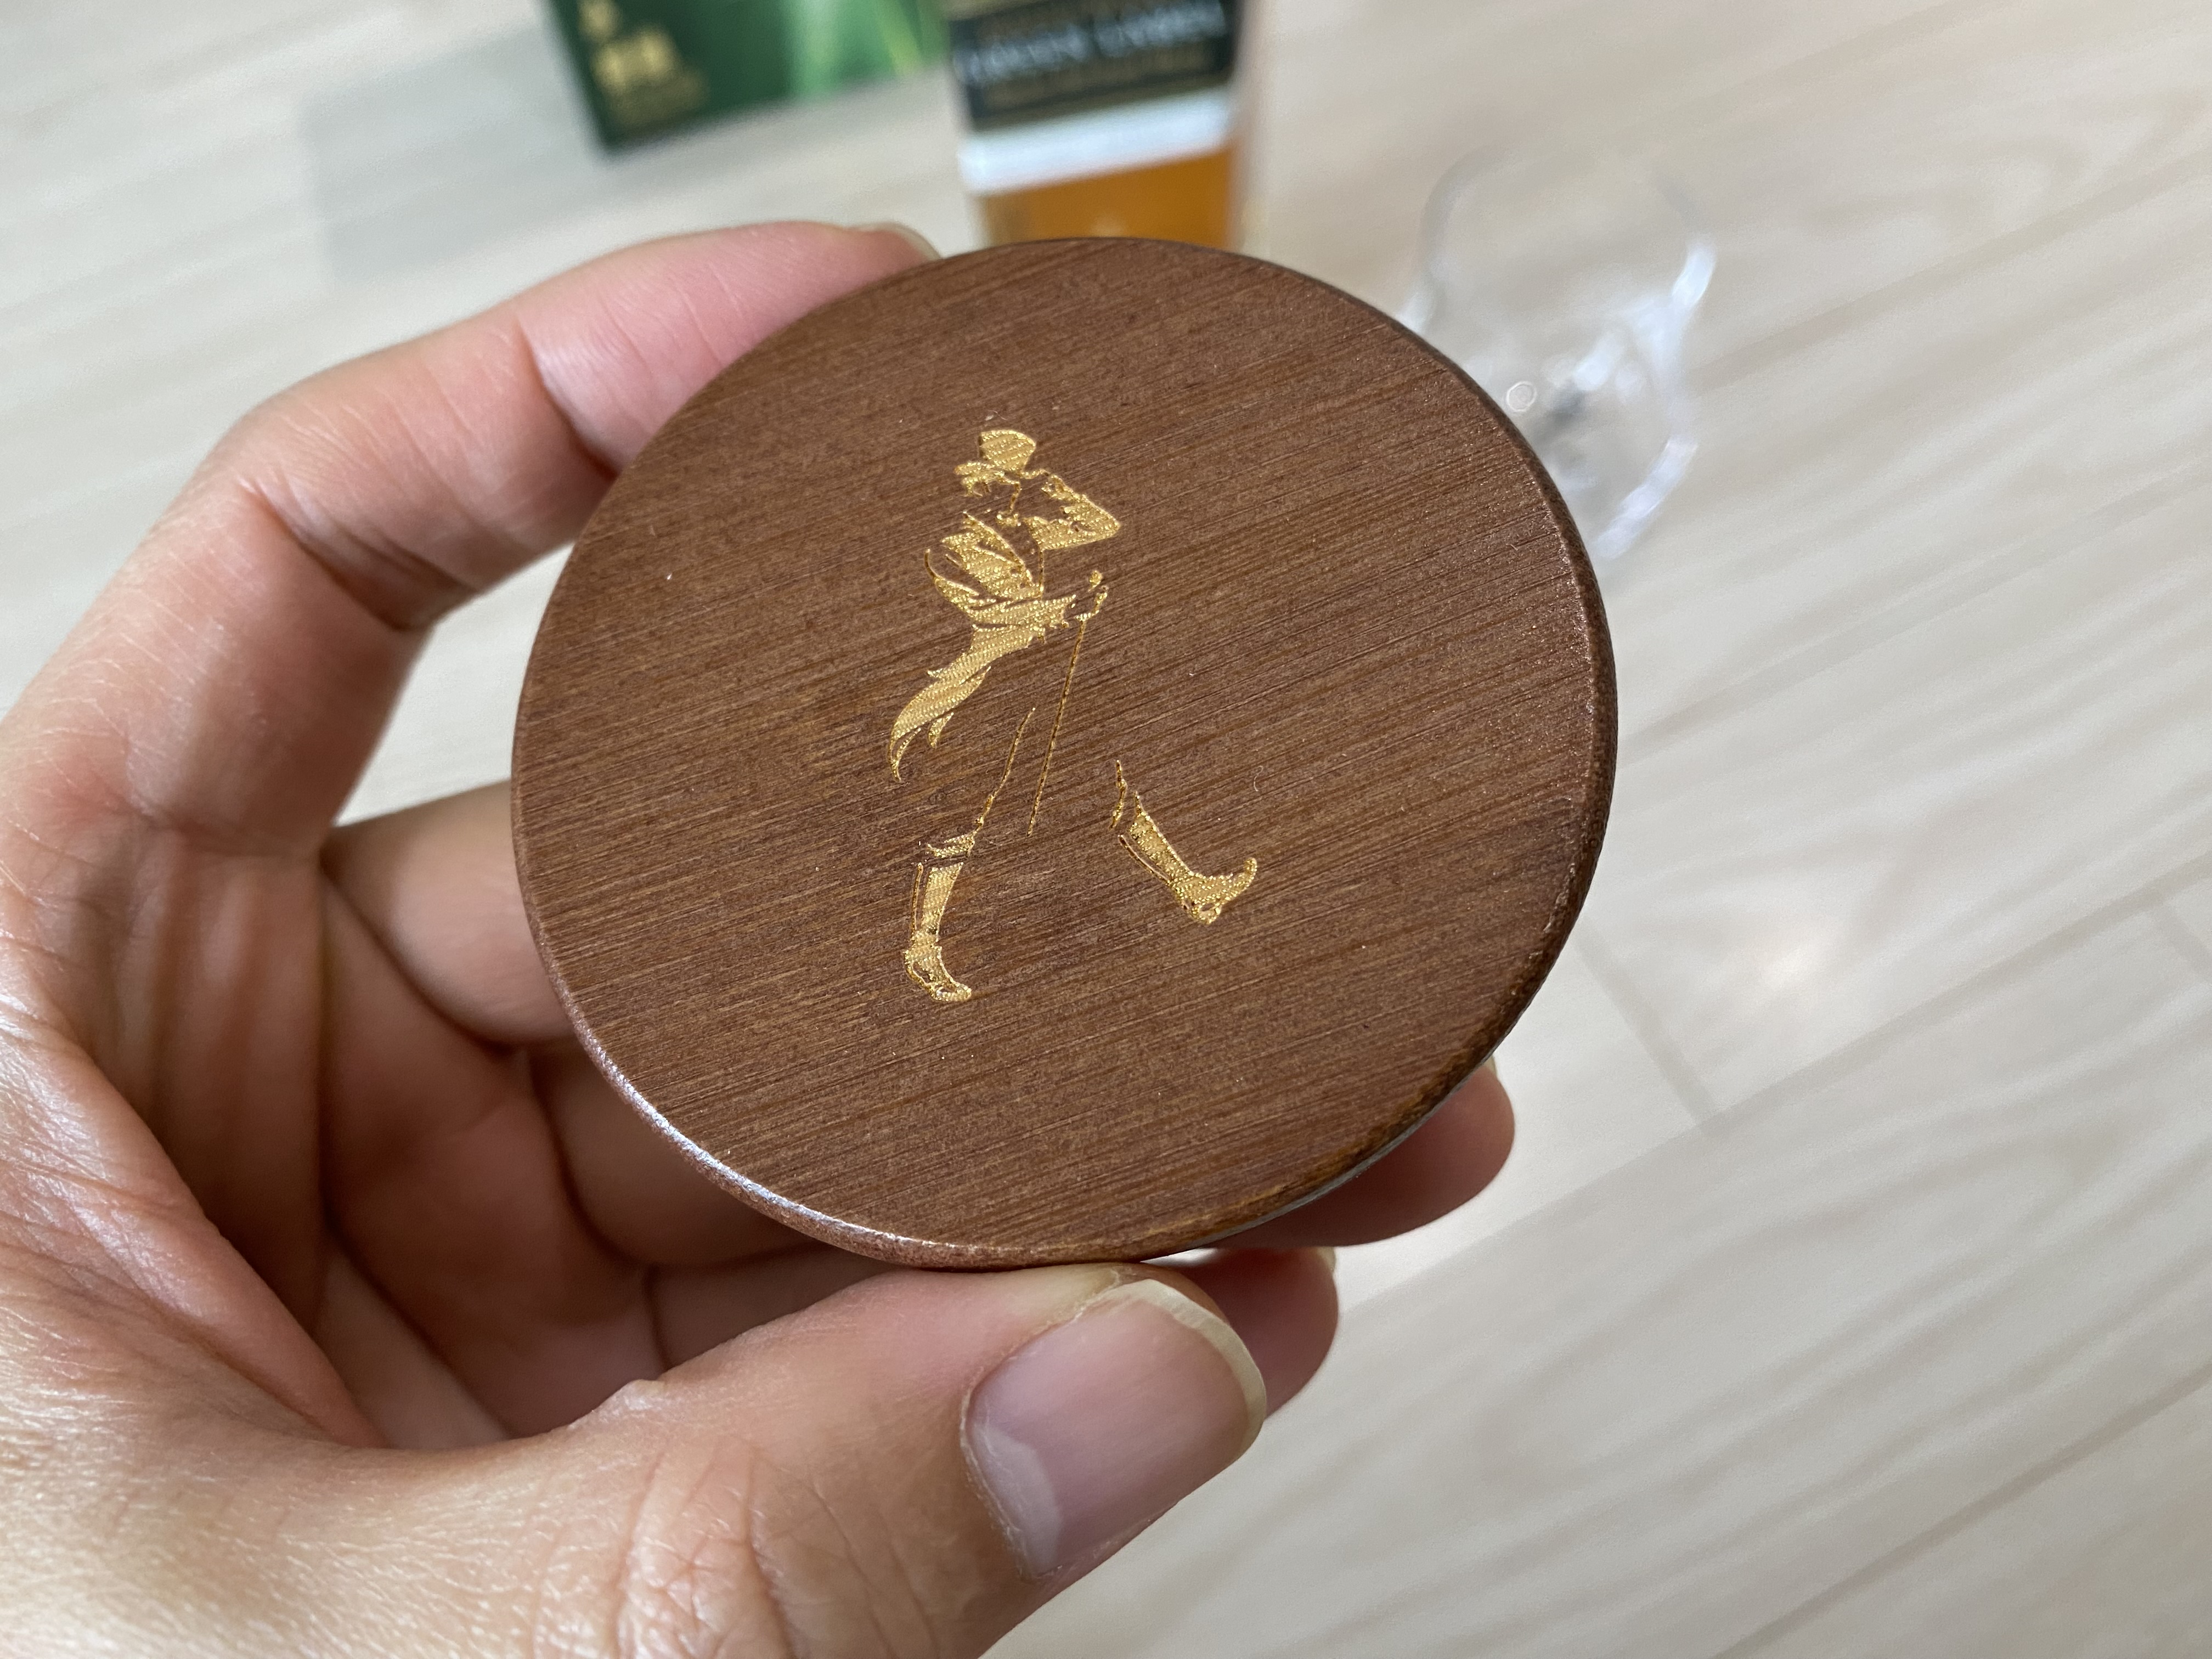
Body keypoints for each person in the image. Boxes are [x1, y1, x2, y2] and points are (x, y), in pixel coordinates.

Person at [0, 222, 1514, 1657]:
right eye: (1000, 468)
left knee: (1100, 780)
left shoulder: (1036, 508)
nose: (1012, 477)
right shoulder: (966, 550)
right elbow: (995, 600)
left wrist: (1049, 511)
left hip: (1068, 671)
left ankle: (1183, 885)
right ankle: (933, 935)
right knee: (979, 813)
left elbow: (1098, 528)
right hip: (1010, 678)